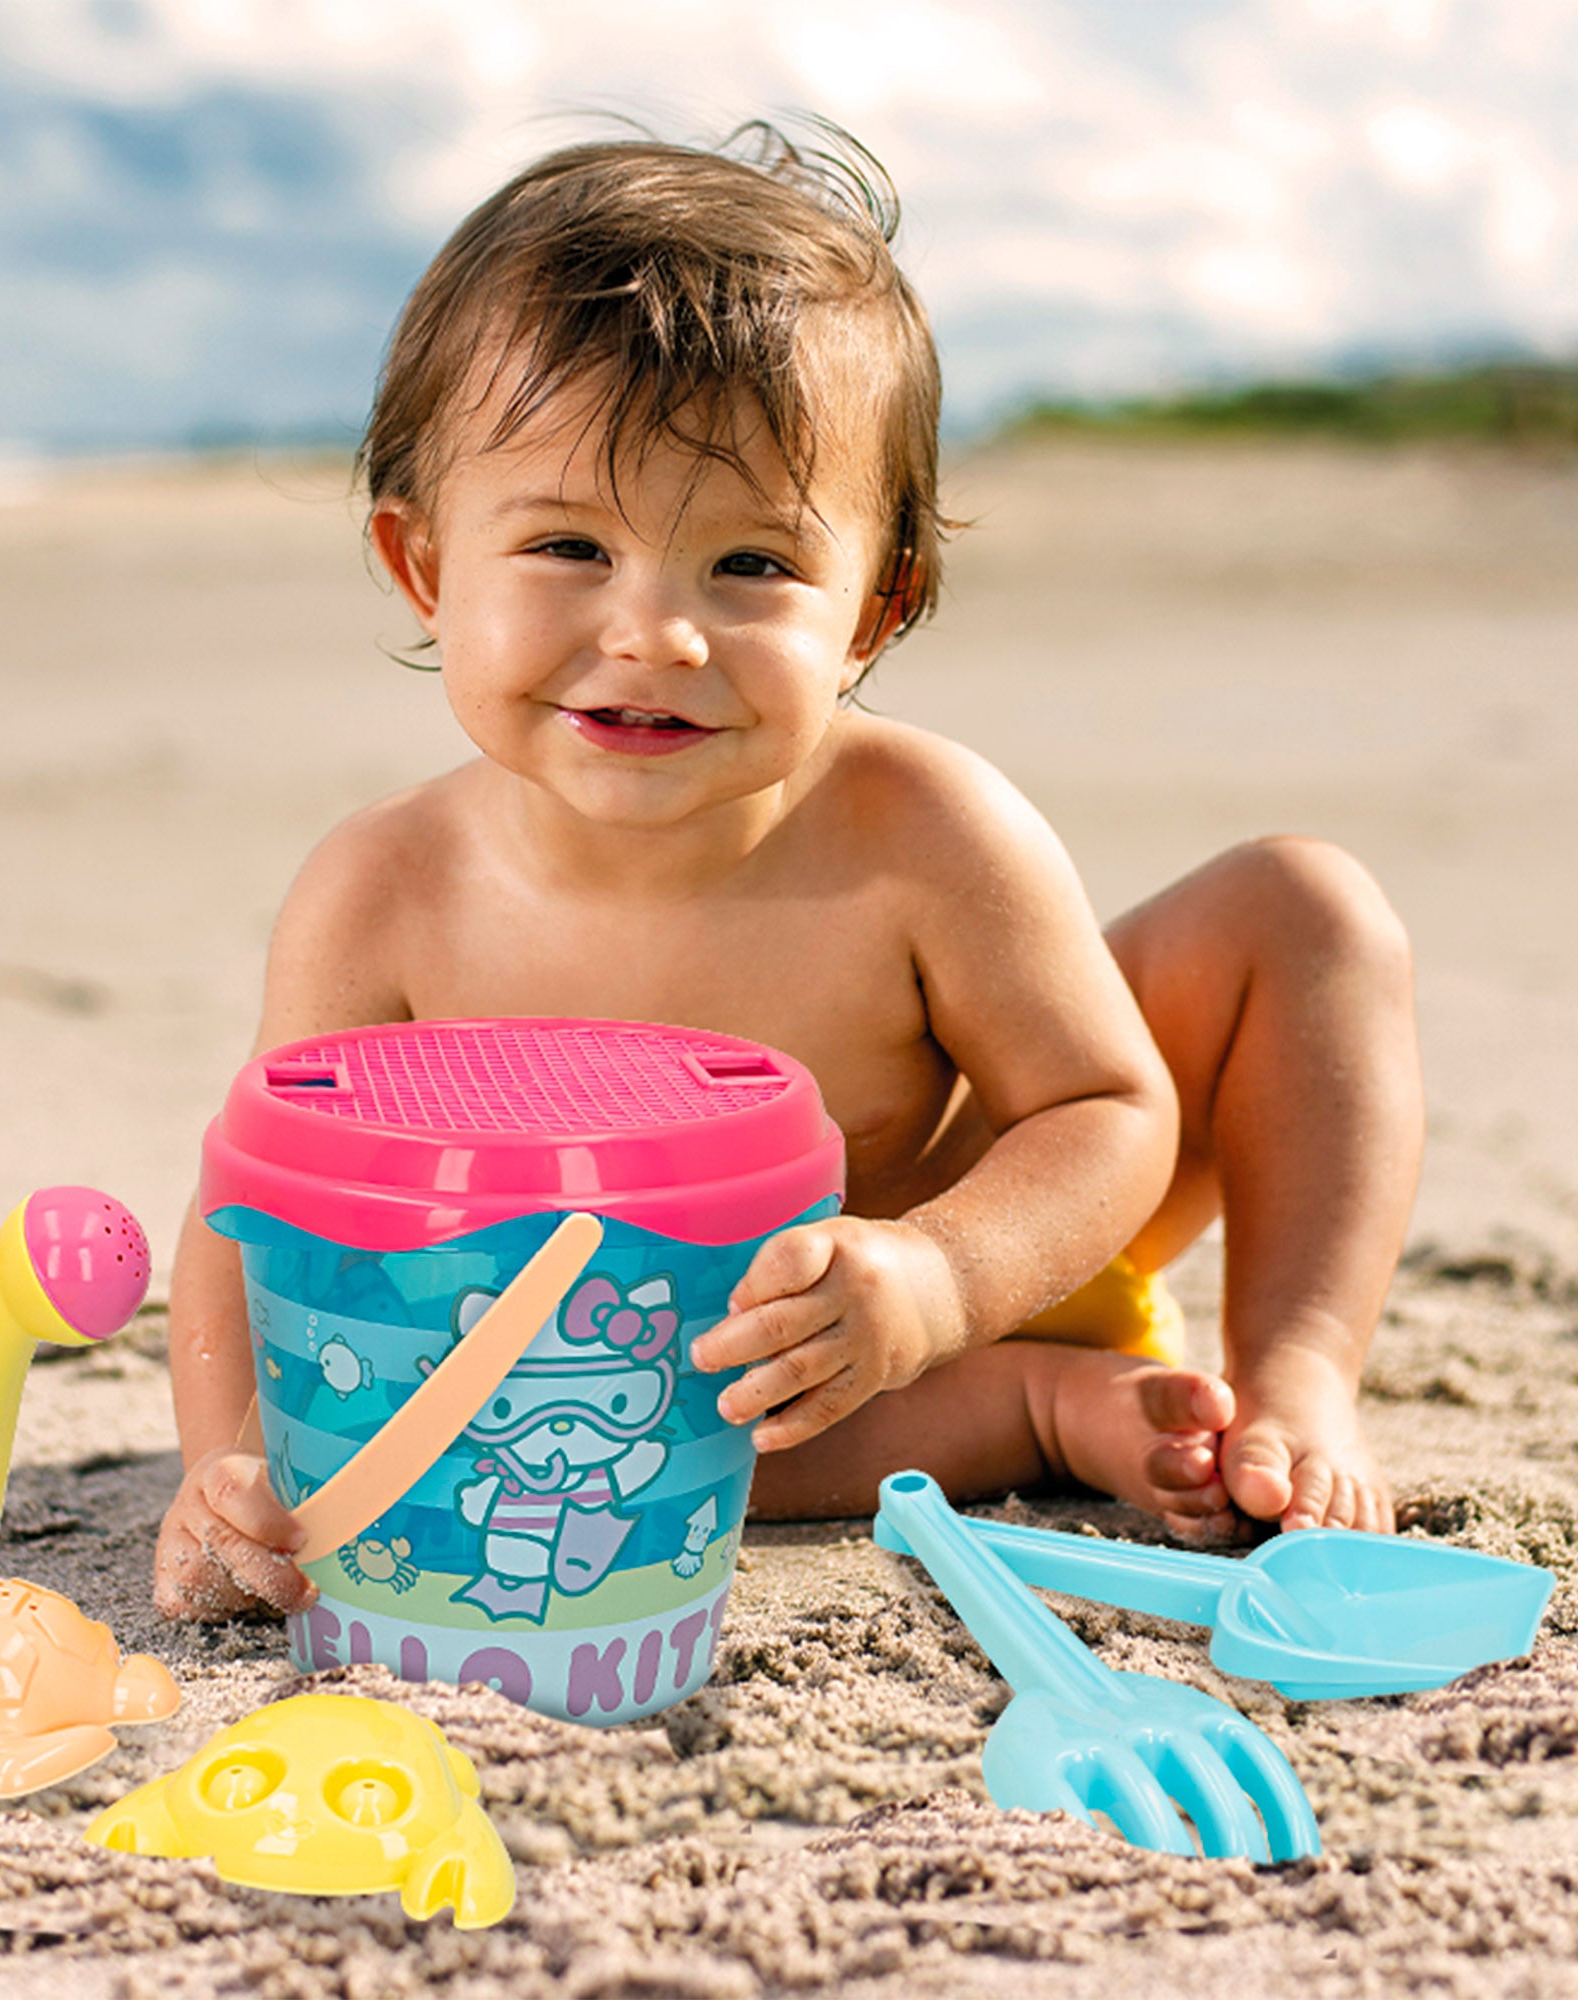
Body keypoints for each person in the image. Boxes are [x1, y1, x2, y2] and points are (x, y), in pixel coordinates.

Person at [153, 124, 1423, 1623]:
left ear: (872, 612)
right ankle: (1036, 1412)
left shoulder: (922, 828)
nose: (655, 634)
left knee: (1307, 905)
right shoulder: (386, 891)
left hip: (981, 1239)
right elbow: (257, 1205)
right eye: (568, 544)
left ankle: (1291, 1377)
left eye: (750, 567)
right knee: (632, 1434)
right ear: (427, 567)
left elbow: (1107, 1106)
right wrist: (230, 1460)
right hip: (672, 1381)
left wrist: (943, 1275)